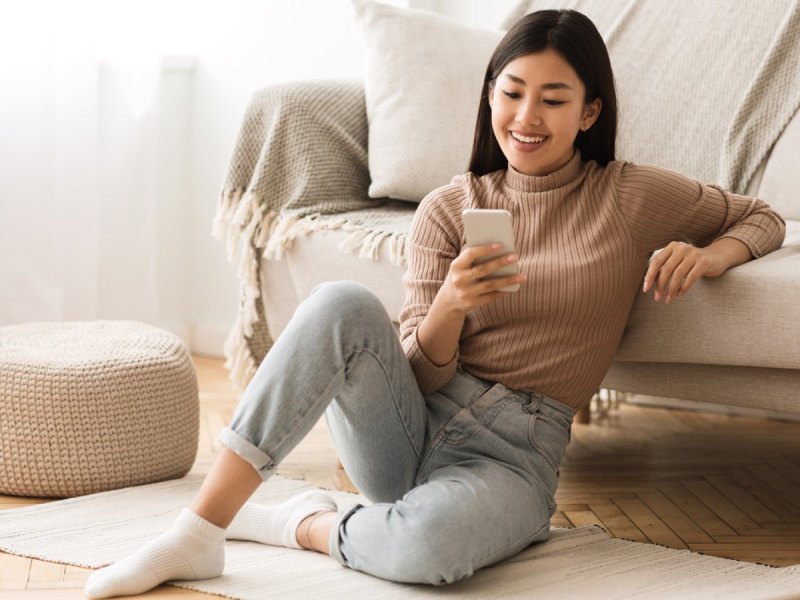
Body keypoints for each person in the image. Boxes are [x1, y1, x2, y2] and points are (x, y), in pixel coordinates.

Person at [84, 8, 786, 598]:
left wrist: (709, 253)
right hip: (410, 423)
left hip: (516, 456)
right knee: (339, 303)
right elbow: (418, 375)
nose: (527, 116)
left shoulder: (629, 196)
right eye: (511, 92)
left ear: (589, 111)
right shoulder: (449, 208)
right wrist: (449, 305)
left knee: (424, 553)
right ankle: (198, 530)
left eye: (553, 97)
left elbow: (761, 217)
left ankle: (297, 522)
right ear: (489, 97)